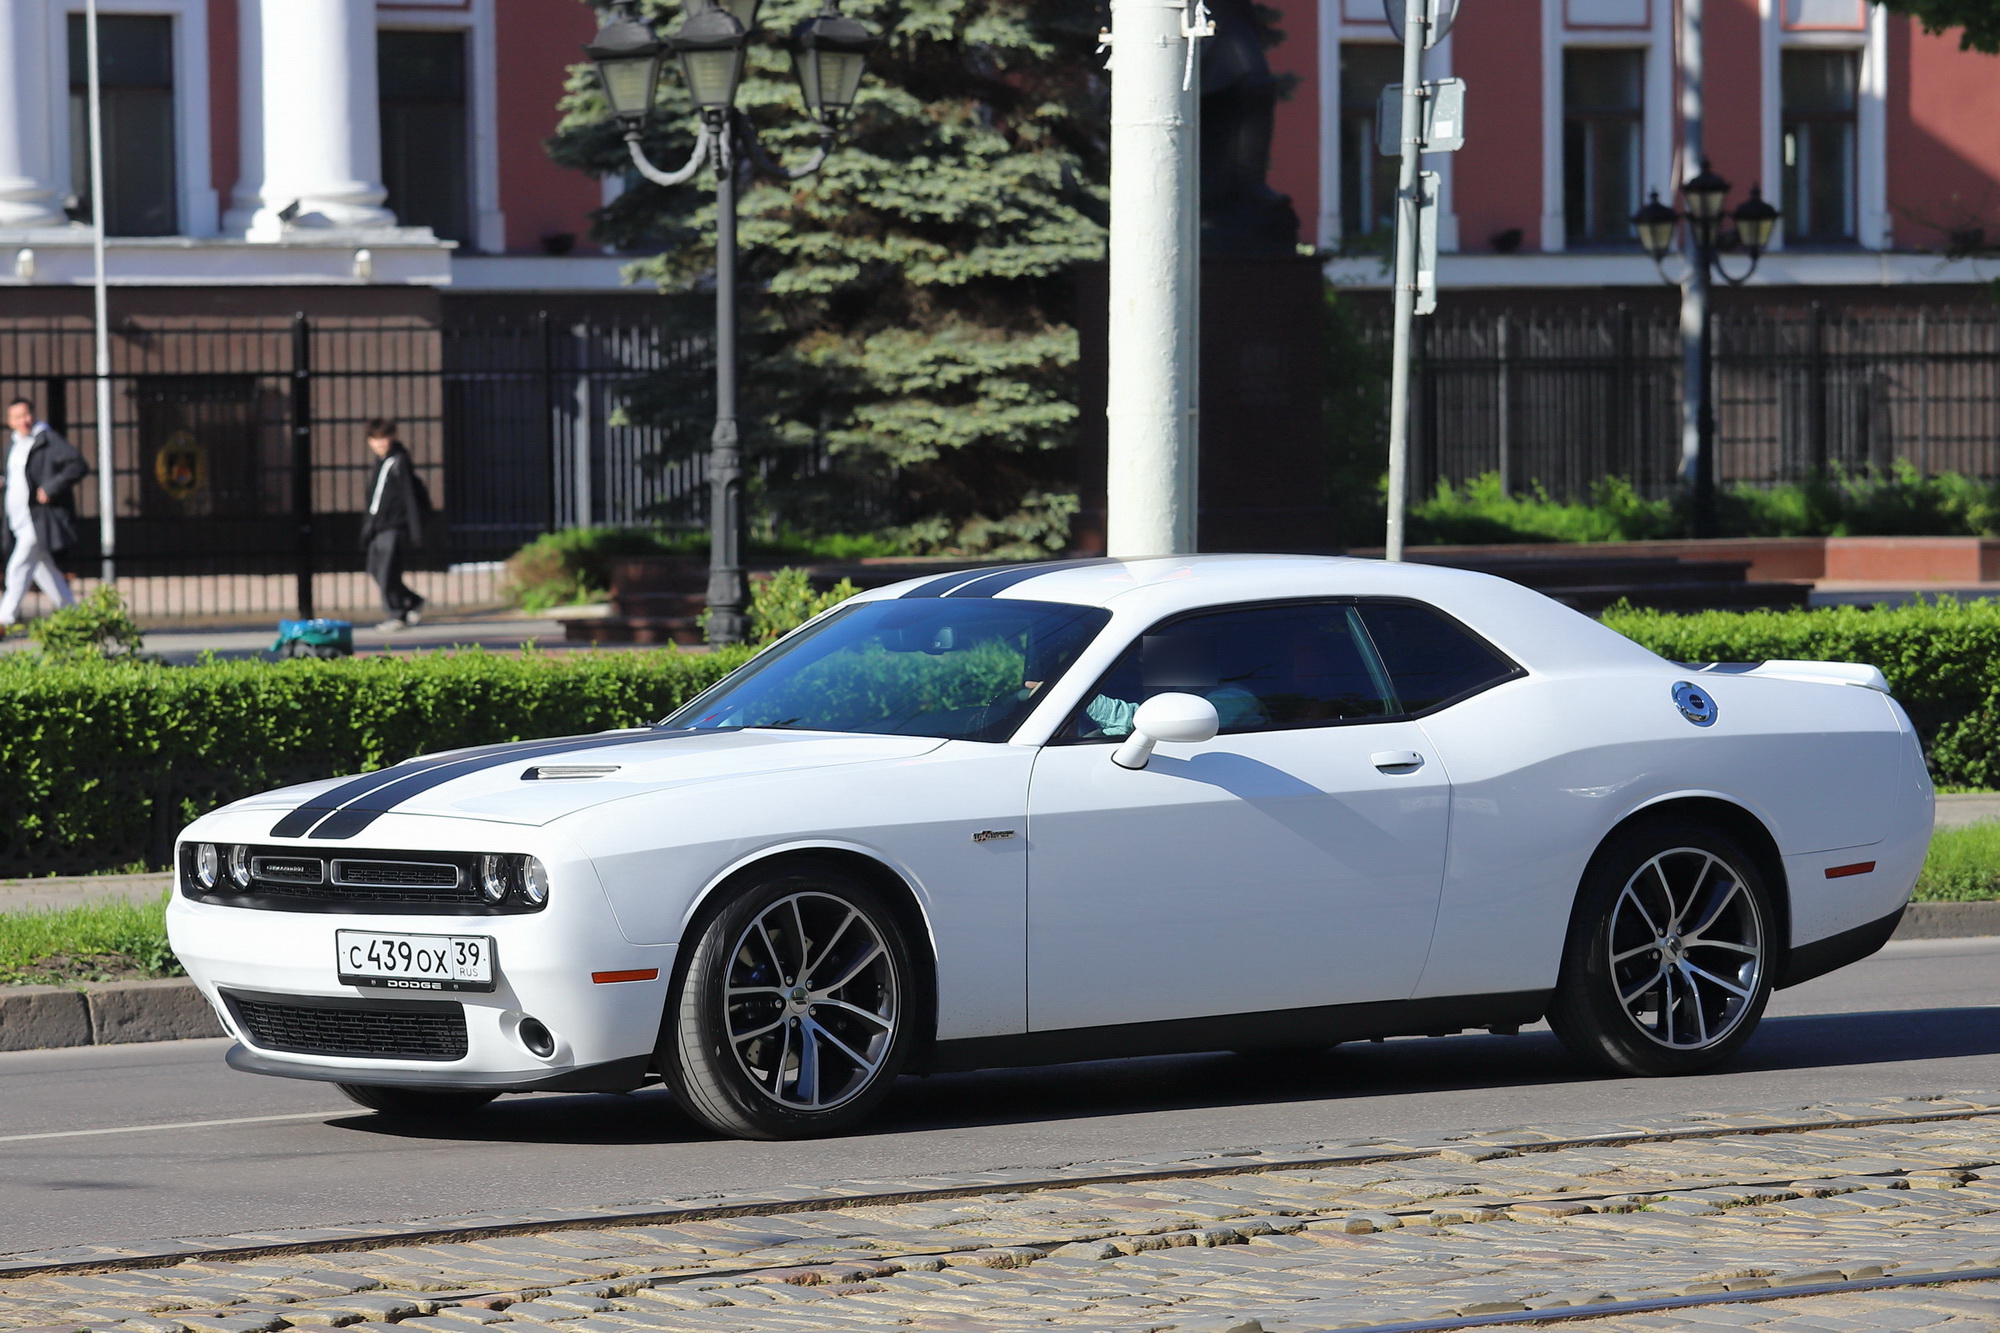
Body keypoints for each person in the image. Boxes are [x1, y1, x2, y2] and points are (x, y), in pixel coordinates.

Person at [1, 397, 88, 629]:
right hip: (18, 518)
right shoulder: (15, 444)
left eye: (26, 415)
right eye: (18, 417)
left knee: (18, 566)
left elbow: (77, 465)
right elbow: (20, 477)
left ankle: (4, 619)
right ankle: (75, 618)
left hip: (39, 518)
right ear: (10, 421)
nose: (24, 421)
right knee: (44, 569)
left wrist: (51, 487)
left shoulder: (47, 439)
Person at [358, 419, 430, 630]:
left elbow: (409, 497)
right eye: (375, 439)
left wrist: (415, 530)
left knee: (388, 570)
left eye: (384, 438)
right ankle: (412, 601)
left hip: (394, 525)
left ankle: (396, 614)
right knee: (375, 568)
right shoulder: (380, 462)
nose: (380, 443)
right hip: (378, 525)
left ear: (393, 437)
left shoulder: (398, 461)